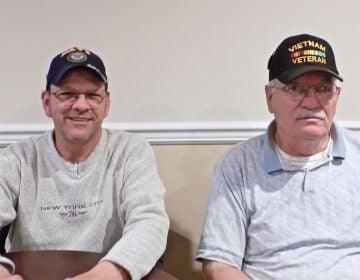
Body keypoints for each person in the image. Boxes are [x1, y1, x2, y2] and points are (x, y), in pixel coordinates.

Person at [196, 34, 360, 279]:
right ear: (270, 97)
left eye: (324, 89)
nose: (312, 102)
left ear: (336, 96)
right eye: (296, 88)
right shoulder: (237, 166)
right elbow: (219, 264)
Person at [0, 47, 171, 280]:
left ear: (106, 104)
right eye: (67, 94)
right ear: (47, 102)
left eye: (92, 95)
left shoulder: (132, 151)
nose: (81, 105)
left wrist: (105, 274)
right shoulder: (17, 158)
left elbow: (150, 223)